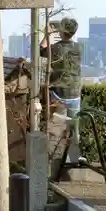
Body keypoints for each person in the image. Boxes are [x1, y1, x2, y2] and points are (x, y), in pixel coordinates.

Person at [40, 17, 82, 165]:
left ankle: (54, 160)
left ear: (62, 30)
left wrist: (48, 34)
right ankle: (73, 159)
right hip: (75, 94)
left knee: (56, 130)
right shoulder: (79, 48)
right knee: (74, 128)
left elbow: (41, 50)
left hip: (59, 93)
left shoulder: (55, 48)